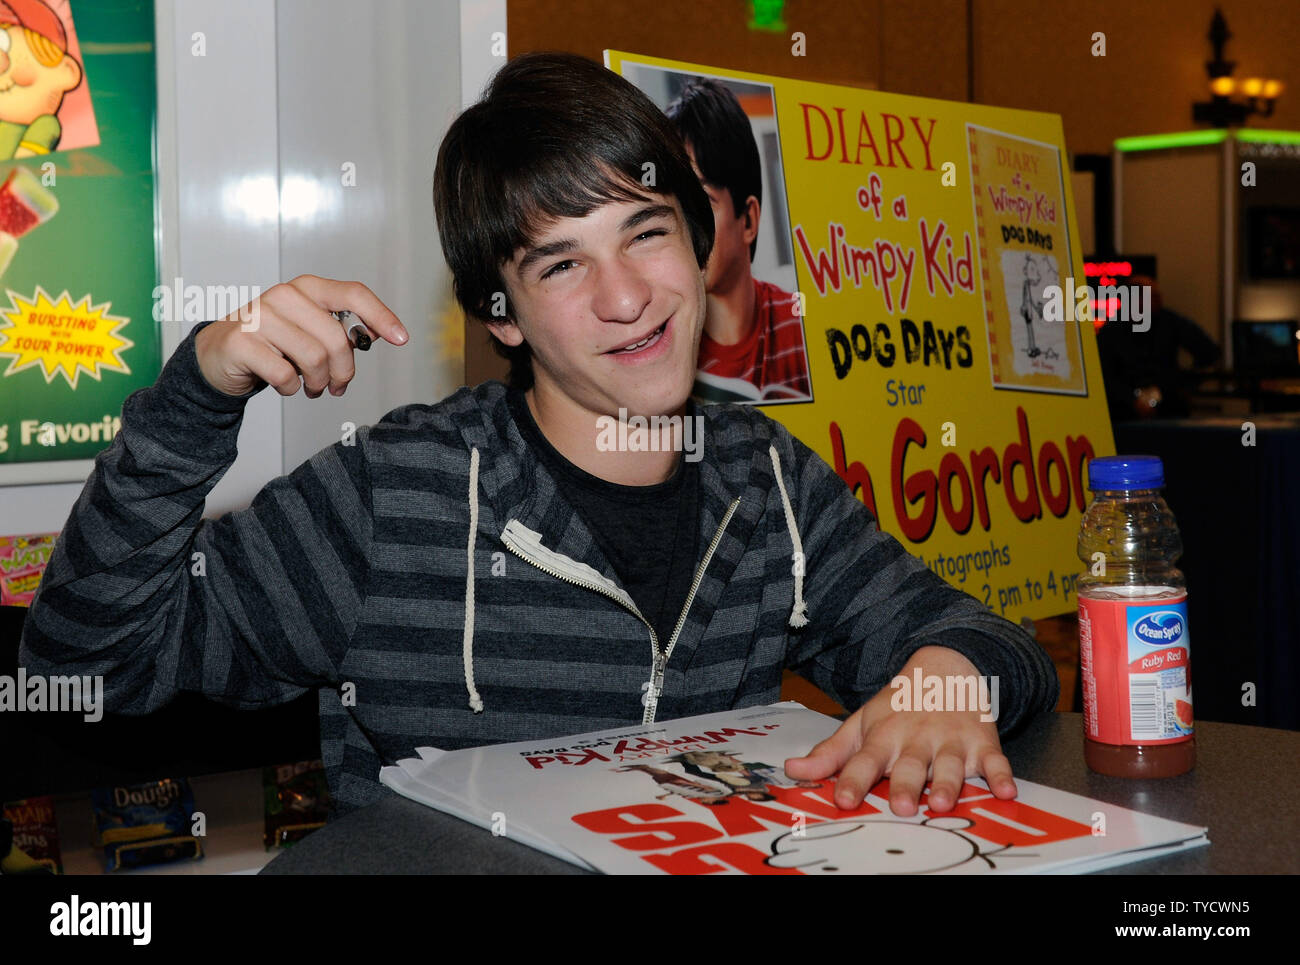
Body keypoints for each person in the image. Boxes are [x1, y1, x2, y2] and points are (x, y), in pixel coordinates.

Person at [20, 51, 1057, 822]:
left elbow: (988, 639)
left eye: (646, 233)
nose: (626, 298)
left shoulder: (768, 479)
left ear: (699, 250)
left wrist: (944, 677)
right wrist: (196, 395)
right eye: (560, 265)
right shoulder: (398, 491)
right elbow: (87, 672)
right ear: (501, 314)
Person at [665, 78, 812, 404]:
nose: (686, 227)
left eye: (702, 203)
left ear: (749, 220)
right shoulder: (661, 340)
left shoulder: (800, 329)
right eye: (675, 208)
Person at [1096, 274, 1221, 421]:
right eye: (1153, 297)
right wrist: (1131, 400)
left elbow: (1209, 351)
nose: (1160, 301)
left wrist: (1184, 385)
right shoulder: (1112, 330)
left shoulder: (1171, 322)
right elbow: (1103, 375)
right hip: (1124, 414)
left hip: (1168, 409)